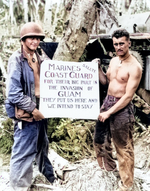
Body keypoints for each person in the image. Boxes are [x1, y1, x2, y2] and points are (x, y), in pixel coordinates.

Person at [5, 22, 56, 191]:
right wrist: (34, 110)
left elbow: (56, 73)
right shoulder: (16, 59)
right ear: (23, 39)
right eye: (31, 38)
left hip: (42, 107)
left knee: (42, 145)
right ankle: (19, 187)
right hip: (27, 112)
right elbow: (13, 93)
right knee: (23, 150)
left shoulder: (40, 57)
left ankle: (47, 178)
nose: (35, 41)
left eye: (37, 38)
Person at [93, 28, 142, 191]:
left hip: (122, 108)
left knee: (123, 147)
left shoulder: (135, 67)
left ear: (129, 43)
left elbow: (128, 96)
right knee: (100, 140)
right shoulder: (114, 61)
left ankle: (127, 185)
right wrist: (98, 68)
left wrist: (109, 112)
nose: (119, 47)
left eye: (122, 43)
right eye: (116, 44)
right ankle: (109, 171)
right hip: (107, 102)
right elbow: (106, 83)